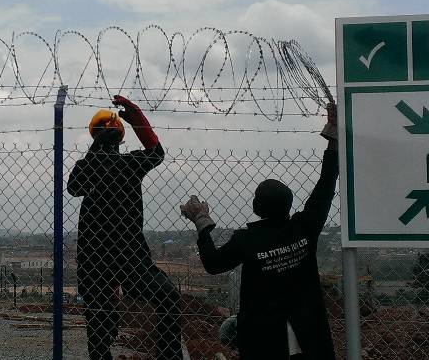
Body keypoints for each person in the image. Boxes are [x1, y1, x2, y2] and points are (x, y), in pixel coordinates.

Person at [180, 103, 338, 360]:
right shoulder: (304, 226)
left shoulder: (247, 240)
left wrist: (201, 222)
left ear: (256, 207)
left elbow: (213, 264)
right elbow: (326, 184)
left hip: (264, 339)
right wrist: (333, 137)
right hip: (309, 332)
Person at [68, 96, 183, 360]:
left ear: (93, 138)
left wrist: (98, 147)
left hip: (95, 258)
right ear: (121, 139)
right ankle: (169, 355)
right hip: (131, 257)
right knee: (168, 299)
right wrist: (137, 118)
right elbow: (157, 153)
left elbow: (74, 187)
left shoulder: (87, 167)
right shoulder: (130, 165)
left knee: (98, 323)